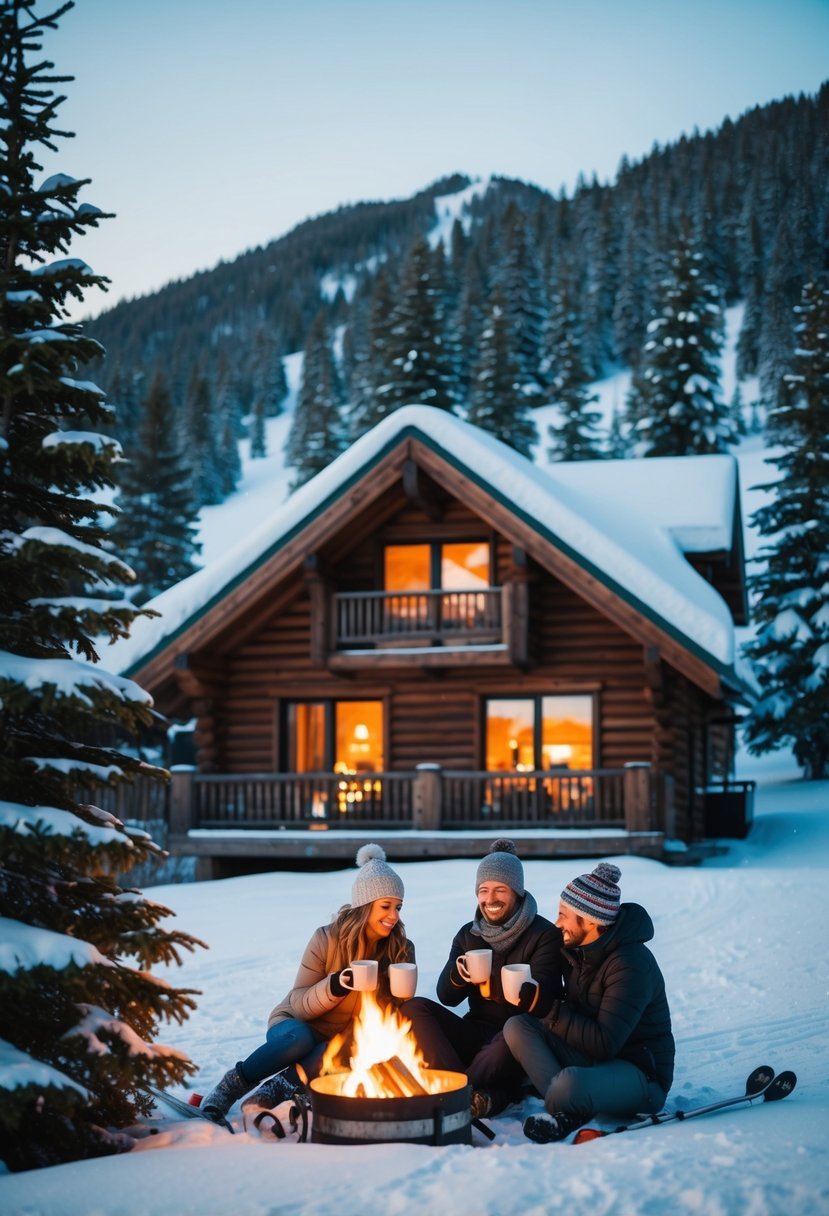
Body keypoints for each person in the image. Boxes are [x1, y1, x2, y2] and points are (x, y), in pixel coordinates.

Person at [200, 843, 413, 1120]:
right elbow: (299, 1003)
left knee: (338, 1050)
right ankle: (229, 1087)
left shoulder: (401, 949)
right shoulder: (326, 939)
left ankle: (273, 1091)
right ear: (364, 905)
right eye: (386, 906)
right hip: (296, 1024)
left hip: (339, 1039)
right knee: (300, 1040)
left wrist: (400, 995)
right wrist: (335, 986)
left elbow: (390, 1020)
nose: (394, 916)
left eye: (398, 907)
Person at [502, 861, 675, 1143]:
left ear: (591, 921)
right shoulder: (578, 951)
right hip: (593, 1058)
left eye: (563, 915)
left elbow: (605, 1043)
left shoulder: (629, 964)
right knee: (518, 1026)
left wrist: (549, 1010)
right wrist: (538, 996)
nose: (557, 923)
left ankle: (568, 1099)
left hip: (640, 1073)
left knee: (569, 1083)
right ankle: (570, 1103)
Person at [401, 839, 562, 1118]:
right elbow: (446, 996)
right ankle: (474, 1091)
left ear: (518, 892)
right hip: (476, 1030)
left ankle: (457, 1093)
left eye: (500, 889)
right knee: (414, 1008)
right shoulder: (469, 934)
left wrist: (497, 983)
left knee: (509, 1036)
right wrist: (460, 974)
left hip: (520, 1036)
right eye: (483, 890)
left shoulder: (544, 935)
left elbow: (545, 999)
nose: (490, 899)